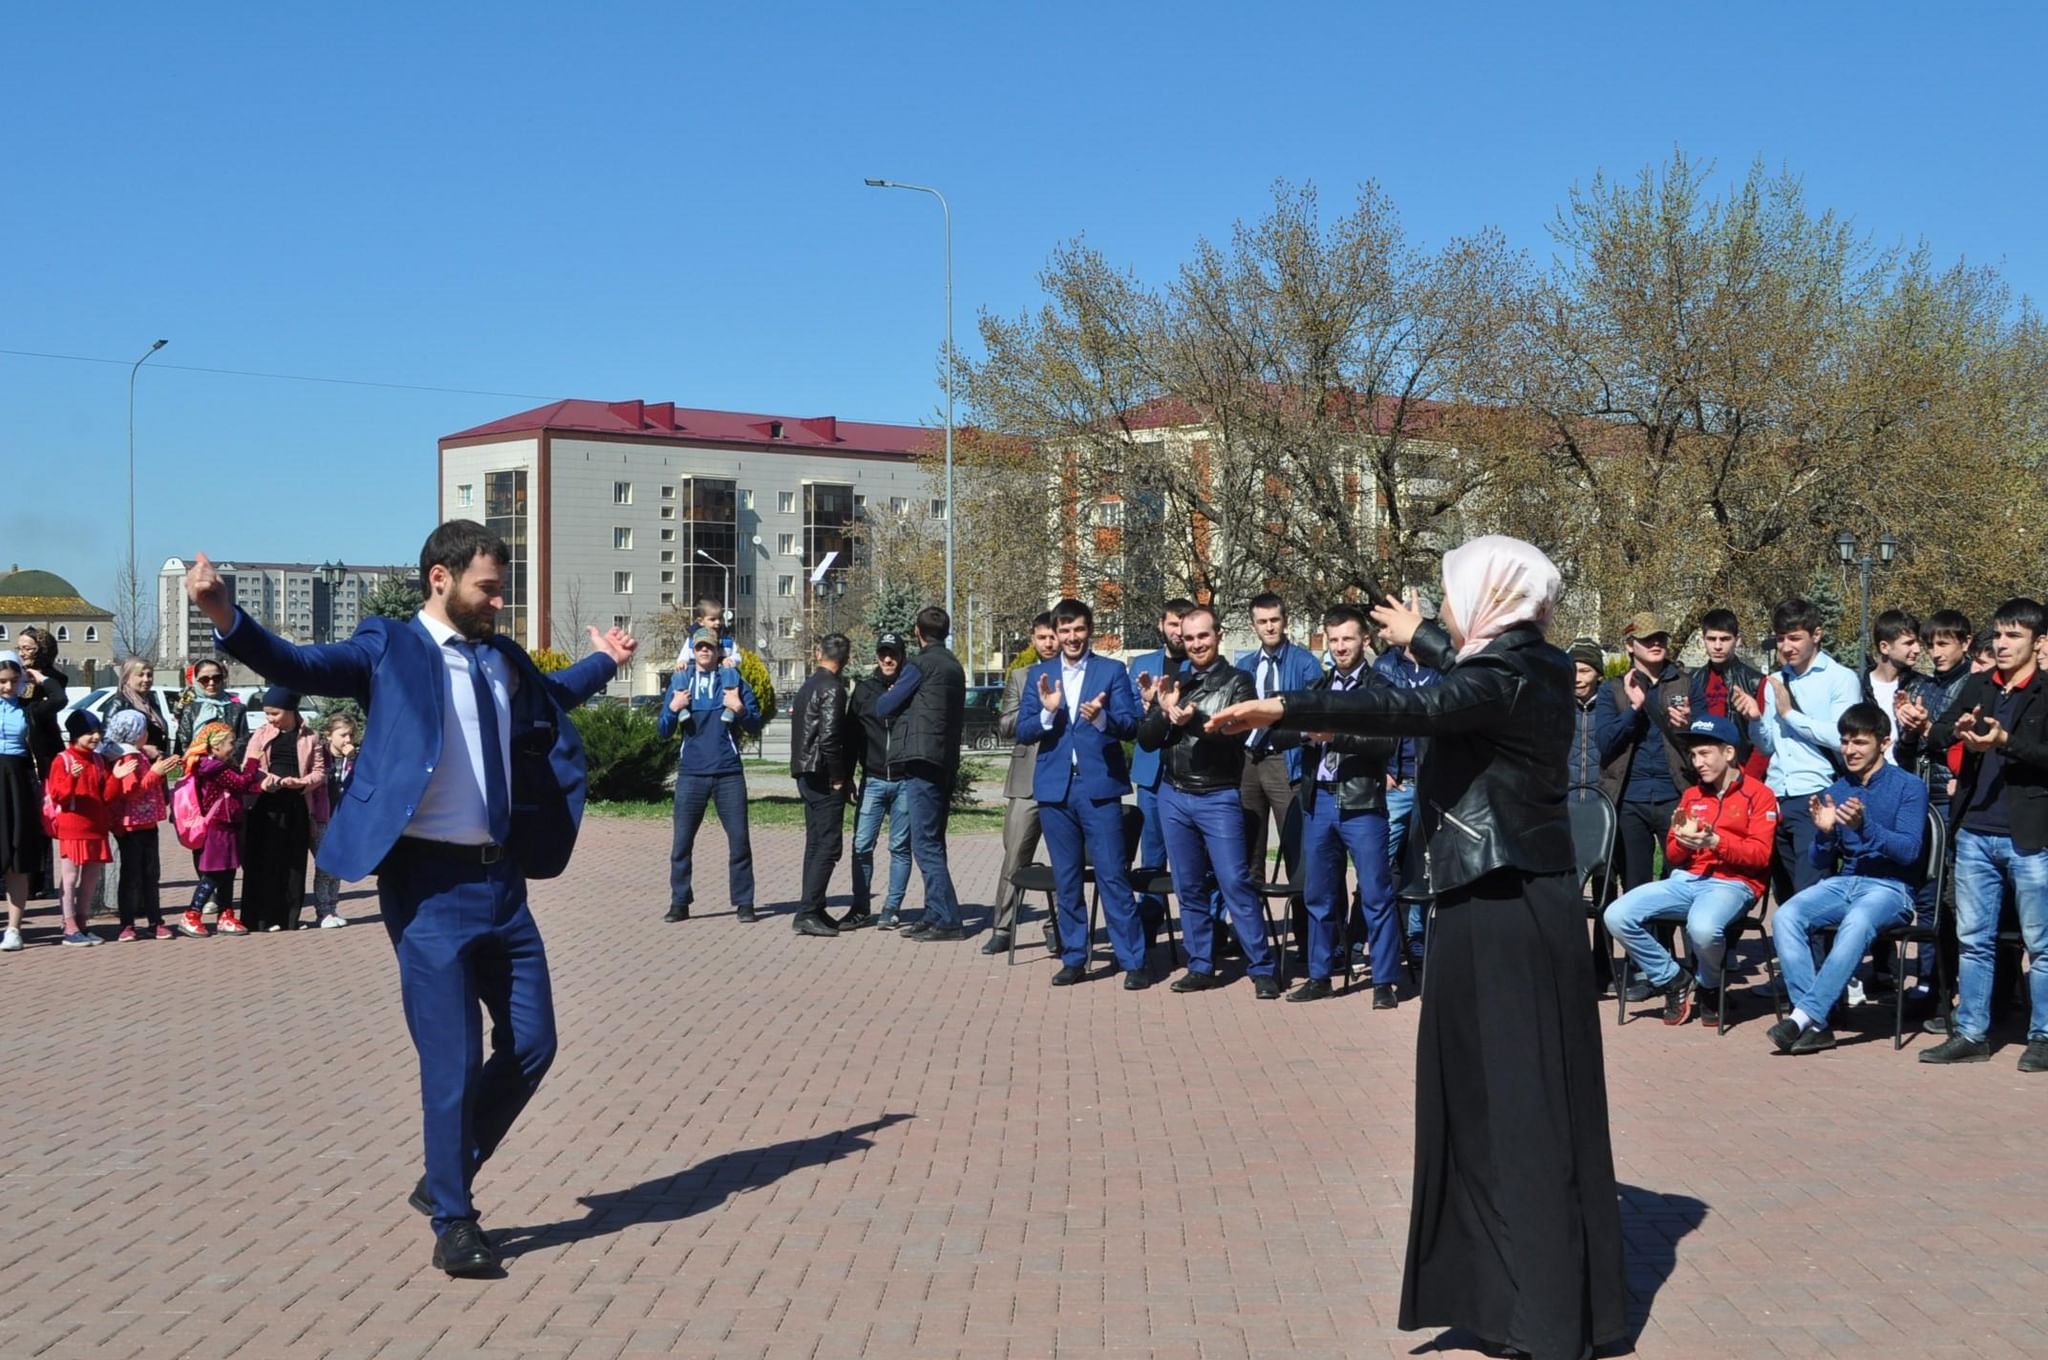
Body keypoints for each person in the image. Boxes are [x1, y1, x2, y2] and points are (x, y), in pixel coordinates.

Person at [1210, 536, 1625, 1360]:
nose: (1441, 611)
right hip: (1500, 896)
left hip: (1499, 902)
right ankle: (1507, 1302)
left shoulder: (1504, 676)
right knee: (1487, 1103)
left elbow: (1424, 710)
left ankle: (1542, 1318)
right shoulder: (1536, 661)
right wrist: (1424, 639)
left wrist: (1289, 709)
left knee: (1516, 1108)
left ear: (1489, 597)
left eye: (1449, 597)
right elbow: (1466, 681)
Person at [190, 520, 635, 1276]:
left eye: (501, 588)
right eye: (487, 588)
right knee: (452, 1060)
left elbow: (554, 696)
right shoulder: (388, 647)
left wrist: (606, 662)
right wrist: (226, 617)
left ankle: (441, 1177)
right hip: (426, 886)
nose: (499, 601)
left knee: (533, 1043)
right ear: (441, 578)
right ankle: (457, 1221)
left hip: (503, 882)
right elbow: (298, 661)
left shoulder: (500, 657)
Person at [1902, 598, 2048, 1071]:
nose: (2001, 645)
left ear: (2038, 643)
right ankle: (1972, 1033)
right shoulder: (1980, 685)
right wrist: (1930, 726)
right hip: (1975, 831)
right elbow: (1944, 734)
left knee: (2040, 945)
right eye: (1998, 635)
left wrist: (2006, 742)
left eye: (2013, 637)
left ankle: (2042, 1036)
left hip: (2029, 835)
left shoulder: (2046, 691)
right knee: (1974, 939)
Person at [1767, 703, 1928, 1055]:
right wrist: (1824, 835)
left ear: (1884, 743)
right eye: (1845, 742)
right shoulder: (1836, 789)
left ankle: (1802, 1017)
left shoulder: (1909, 787)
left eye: (1860, 743)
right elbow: (1820, 860)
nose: (1850, 751)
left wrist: (1864, 826)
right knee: (1787, 916)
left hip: (1892, 887)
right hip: (1846, 882)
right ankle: (1818, 1024)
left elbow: (1910, 852)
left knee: (1856, 922)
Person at [1137, 604, 1278, 998]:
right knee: (1188, 884)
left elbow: (1235, 732)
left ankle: (1262, 967)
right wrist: (1161, 711)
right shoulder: (1174, 680)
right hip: (1174, 795)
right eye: (1190, 636)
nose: (1196, 643)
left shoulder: (1239, 680)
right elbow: (1146, 739)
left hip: (1218, 795)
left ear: (1218, 636)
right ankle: (1200, 963)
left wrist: (1191, 720)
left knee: (1235, 882)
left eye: (1204, 635)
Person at [1601, 715, 1779, 1026]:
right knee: (1617, 915)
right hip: (1688, 879)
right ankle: (1673, 979)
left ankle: (1709, 985)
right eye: (1694, 755)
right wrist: (1684, 842)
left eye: (1705, 753)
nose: (1698, 762)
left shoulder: (1760, 795)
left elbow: (1760, 857)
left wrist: (1715, 841)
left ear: (1728, 753)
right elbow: (1671, 853)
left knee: (1703, 928)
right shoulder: (1692, 795)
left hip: (1734, 884)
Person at [1018, 598, 1148, 986]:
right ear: (1055, 634)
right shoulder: (1038, 675)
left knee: (1113, 876)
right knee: (1067, 877)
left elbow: (1131, 725)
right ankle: (1074, 956)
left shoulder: (1111, 671)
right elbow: (1023, 732)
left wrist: (1103, 718)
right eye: (1065, 631)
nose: (1072, 637)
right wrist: (1047, 712)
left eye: (1078, 630)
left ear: (1089, 630)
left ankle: (1133, 961)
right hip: (1055, 791)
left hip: (1099, 788)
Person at [1286, 604, 1400, 1006]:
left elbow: (1387, 743)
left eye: (1347, 638)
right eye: (1333, 640)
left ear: (1364, 640)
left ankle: (1384, 980)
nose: (1340, 647)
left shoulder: (1380, 689)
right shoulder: (1317, 688)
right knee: (1318, 894)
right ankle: (1320, 975)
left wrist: (1336, 737)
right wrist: (1301, 732)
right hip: (1319, 801)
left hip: (1362, 804)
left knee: (1375, 893)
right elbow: (1289, 732)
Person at [1734, 598, 1862, 906]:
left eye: (1794, 638)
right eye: (1780, 639)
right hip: (1776, 796)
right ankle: (1795, 955)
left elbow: (1841, 737)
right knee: (1787, 896)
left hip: (1817, 795)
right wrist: (1754, 720)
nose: (1786, 646)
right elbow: (1767, 746)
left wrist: (1790, 714)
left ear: (1816, 634)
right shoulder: (1773, 682)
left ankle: (1819, 956)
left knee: (1813, 894)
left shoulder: (1840, 678)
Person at [873, 606, 966, 941]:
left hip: (920, 758)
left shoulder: (919, 664)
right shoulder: (955, 666)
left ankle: (948, 919)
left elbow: (884, 706)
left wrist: (891, 696)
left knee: (923, 843)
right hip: (944, 758)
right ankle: (933, 912)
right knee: (933, 839)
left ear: (917, 632)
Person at [658, 628, 762, 923]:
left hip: (728, 773)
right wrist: (673, 708)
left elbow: (755, 724)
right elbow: (663, 730)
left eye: (710, 647)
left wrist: (739, 708)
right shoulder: (680, 683)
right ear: (693, 651)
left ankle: (744, 902)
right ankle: (680, 901)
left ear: (718, 652)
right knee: (681, 843)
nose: (704, 651)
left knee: (740, 841)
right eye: (699, 647)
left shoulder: (734, 682)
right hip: (692, 774)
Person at [1595, 611, 1693, 896]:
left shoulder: (1686, 683)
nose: (1655, 644)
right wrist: (1634, 709)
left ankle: (1677, 941)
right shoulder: (1612, 690)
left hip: (1676, 794)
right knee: (1637, 888)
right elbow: (1605, 742)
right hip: (1629, 800)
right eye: (1647, 639)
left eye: (1660, 638)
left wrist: (1687, 726)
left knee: (1681, 883)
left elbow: (1703, 743)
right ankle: (1646, 942)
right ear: (1630, 645)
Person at [1373, 601, 1443, 972]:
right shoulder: (1386, 667)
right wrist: (1384, 764)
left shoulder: (1442, 670)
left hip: (1432, 781)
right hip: (1397, 782)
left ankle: (1416, 936)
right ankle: (1377, 936)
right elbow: (1379, 719)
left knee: (1423, 863)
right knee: (1379, 861)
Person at [1234, 593, 1322, 885]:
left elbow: (1314, 712)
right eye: (1262, 622)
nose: (1269, 627)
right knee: (1248, 851)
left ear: (1285, 621)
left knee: (1297, 851)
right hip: (1248, 761)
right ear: (1254, 625)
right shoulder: (1244, 666)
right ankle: (1252, 928)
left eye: (1274, 620)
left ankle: (1304, 927)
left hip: (1285, 762)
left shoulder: (1305, 663)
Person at [986, 613, 1058, 954]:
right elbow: (1005, 725)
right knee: (1015, 856)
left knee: (1065, 858)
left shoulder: (1074, 676)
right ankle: (1003, 927)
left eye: (1053, 636)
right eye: (1042, 637)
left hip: (1061, 778)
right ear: (1033, 638)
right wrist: (1038, 710)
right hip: (1025, 779)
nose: (1048, 643)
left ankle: (1056, 927)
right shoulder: (1020, 676)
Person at [1126, 598, 1192, 936]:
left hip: (1193, 773)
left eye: (1184, 624)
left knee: (1198, 855)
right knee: (1152, 853)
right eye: (1172, 624)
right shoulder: (1142, 665)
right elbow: (1128, 720)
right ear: (1161, 625)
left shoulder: (1201, 664)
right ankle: (1149, 923)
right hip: (1153, 774)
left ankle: (1207, 925)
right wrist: (1147, 703)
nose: (1179, 631)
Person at [844, 634, 915, 931]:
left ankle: (891, 908)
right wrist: (847, 776)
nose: (888, 660)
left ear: (901, 656)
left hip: (905, 782)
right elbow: (850, 736)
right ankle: (861, 906)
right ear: (876, 656)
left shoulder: (912, 688)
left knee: (900, 847)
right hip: (872, 779)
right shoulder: (864, 691)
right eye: (883, 654)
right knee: (861, 844)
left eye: (893, 654)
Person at [240, 688, 327, 931]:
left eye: (275, 713)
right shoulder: (261, 734)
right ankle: (261, 917)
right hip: (265, 805)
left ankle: (288, 917)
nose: (270, 719)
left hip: (296, 803)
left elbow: (320, 771)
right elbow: (250, 764)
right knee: (265, 860)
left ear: (290, 710)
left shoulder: (311, 737)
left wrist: (302, 783)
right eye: (267, 714)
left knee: (293, 861)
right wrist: (266, 780)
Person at [789, 633, 854, 937]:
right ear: (846, 659)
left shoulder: (809, 685)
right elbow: (829, 738)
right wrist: (840, 777)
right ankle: (807, 911)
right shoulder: (832, 688)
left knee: (815, 843)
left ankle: (813, 906)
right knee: (828, 845)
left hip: (805, 771)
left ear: (819, 654)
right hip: (822, 773)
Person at [178, 720, 265, 937]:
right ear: (215, 746)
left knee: (228, 872)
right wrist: (254, 759)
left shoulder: (222, 766)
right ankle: (192, 913)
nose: (234, 747)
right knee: (214, 874)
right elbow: (241, 783)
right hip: (217, 826)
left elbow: (239, 786)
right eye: (230, 743)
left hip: (229, 824)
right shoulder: (213, 767)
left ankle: (226, 915)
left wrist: (262, 787)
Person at [0, 650, 61, 950]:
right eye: (1, 682)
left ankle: (13, 928)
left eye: (13, 681)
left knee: (17, 856)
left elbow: (59, 699)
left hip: (18, 781)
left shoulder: (30, 709)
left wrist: (41, 677)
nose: (8, 687)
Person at [105, 709, 178, 940]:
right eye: (144, 729)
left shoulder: (138, 754)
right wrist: (155, 773)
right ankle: (127, 924)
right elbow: (131, 792)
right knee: (131, 876)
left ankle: (155, 921)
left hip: (147, 825)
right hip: (130, 827)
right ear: (135, 733)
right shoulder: (127, 758)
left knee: (151, 874)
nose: (147, 733)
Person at [47, 710, 115, 946]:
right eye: (89, 733)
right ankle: (69, 925)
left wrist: (116, 776)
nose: (95, 737)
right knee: (70, 877)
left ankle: (83, 922)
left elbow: (107, 794)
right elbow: (59, 796)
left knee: (91, 878)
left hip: (96, 826)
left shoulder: (98, 760)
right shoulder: (62, 760)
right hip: (73, 826)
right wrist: (72, 778)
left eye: (98, 732)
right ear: (75, 735)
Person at [1687, 609, 1767, 778]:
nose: (1717, 646)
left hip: (1741, 771)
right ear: (1703, 641)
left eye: (1724, 639)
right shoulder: (1692, 680)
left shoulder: (1756, 682)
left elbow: (1762, 739)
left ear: (1737, 641)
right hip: (1702, 772)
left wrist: (1748, 780)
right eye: (1711, 639)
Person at [310, 715, 358, 927]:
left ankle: (333, 908)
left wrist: (354, 760)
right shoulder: (321, 755)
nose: (347, 739)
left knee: (336, 866)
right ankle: (323, 912)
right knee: (325, 865)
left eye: (350, 734)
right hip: (322, 816)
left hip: (343, 818)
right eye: (342, 735)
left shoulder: (354, 757)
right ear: (329, 735)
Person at [174, 657, 249, 759]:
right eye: (204, 679)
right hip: (197, 767)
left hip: (229, 768)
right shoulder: (189, 708)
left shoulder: (237, 708)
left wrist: (222, 762)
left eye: (216, 678)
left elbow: (242, 742)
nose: (211, 683)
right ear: (196, 681)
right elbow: (183, 742)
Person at [1566, 638, 1606, 798]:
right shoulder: (1556, 705)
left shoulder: (1613, 706)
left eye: (1585, 671)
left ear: (1598, 673)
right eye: (1573, 671)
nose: (1577, 679)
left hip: (1603, 798)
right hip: (1564, 800)